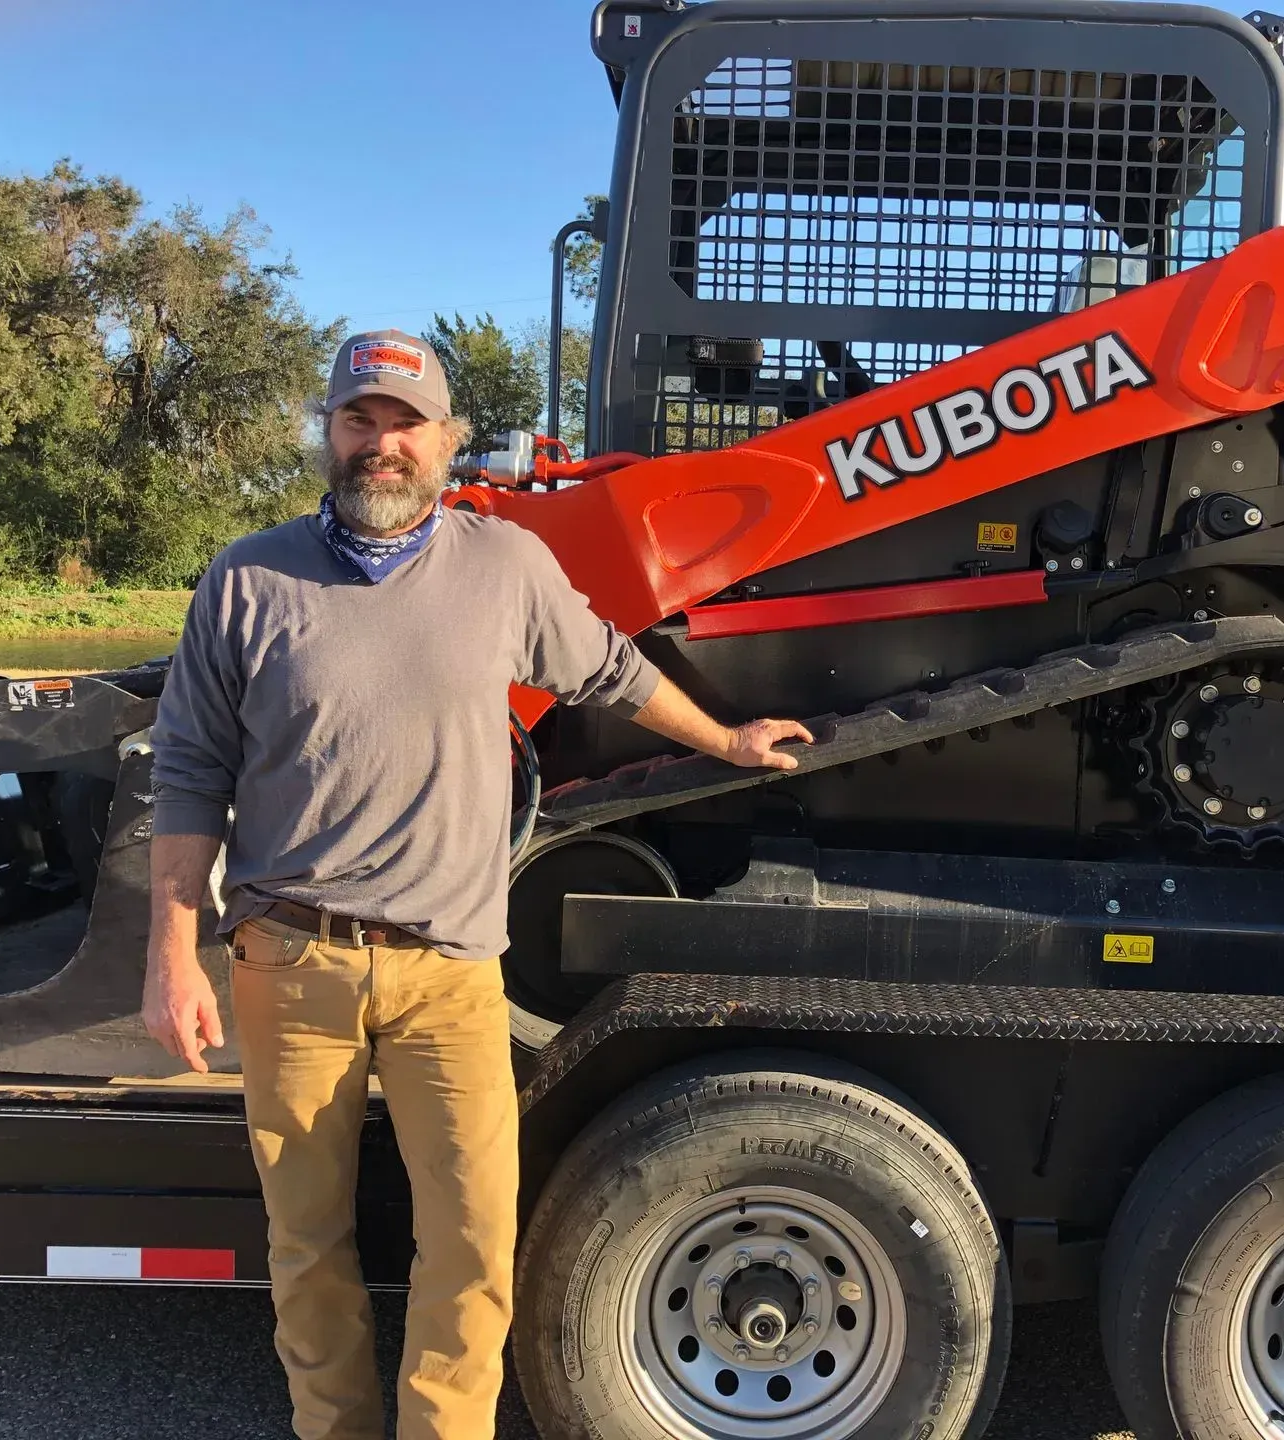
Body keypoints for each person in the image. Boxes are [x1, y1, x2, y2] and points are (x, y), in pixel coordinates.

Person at [141, 328, 811, 1440]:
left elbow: (611, 668)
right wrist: (172, 952)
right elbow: (188, 768)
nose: (382, 445)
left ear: (449, 441)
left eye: (407, 424)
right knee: (308, 1242)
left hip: (450, 970)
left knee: (471, 1245)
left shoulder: (504, 567)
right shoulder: (248, 577)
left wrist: (725, 741)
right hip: (288, 959)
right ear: (329, 432)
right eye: (360, 420)